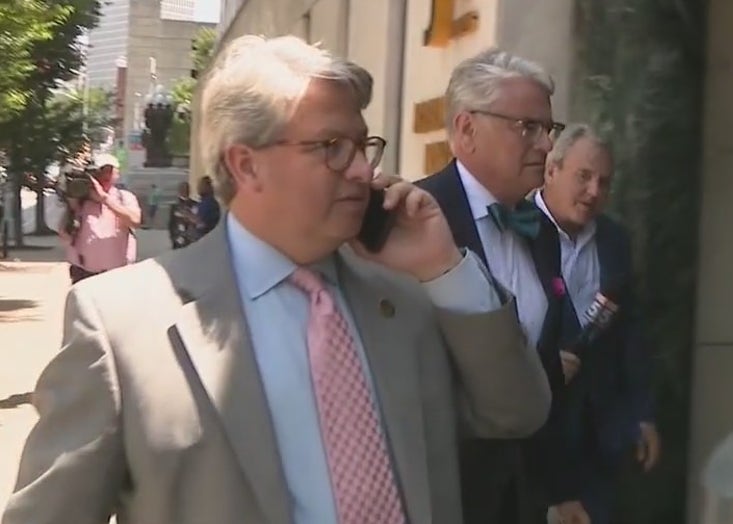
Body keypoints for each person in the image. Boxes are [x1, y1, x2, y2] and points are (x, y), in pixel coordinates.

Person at [2, 36, 552, 524]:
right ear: (245, 165)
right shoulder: (121, 324)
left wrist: (445, 267)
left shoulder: (406, 296)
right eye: (332, 147)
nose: (362, 170)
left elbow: (518, 411)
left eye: (363, 146)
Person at [417, 49, 582, 524]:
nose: (547, 146)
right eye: (527, 127)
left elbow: (545, 365)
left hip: (522, 496)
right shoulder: (414, 220)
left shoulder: (543, 231)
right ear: (466, 129)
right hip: (442, 493)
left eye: (549, 129)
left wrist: (560, 488)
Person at [534, 123, 659, 524]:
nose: (594, 192)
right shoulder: (514, 231)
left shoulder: (615, 240)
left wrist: (642, 412)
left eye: (604, 182)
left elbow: (630, 333)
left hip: (602, 438)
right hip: (537, 439)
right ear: (552, 170)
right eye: (583, 177)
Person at [58, 152, 141, 284]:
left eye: (109, 170)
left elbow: (135, 221)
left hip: (118, 274)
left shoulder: (124, 197)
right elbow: (63, 233)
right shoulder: (81, 200)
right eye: (99, 171)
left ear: (117, 174)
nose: (104, 175)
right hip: (84, 274)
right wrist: (71, 202)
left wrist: (105, 199)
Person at [167, 181, 196, 249]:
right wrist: (173, 237)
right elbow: (172, 223)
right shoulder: (175, 206)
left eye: (186, 189)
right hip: (178, 237)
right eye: (182, 189)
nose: (184, 191)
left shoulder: (194, 204)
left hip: (191, 238)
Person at [193, 175, 221, 239]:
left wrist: (191, 218)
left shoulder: (209, 204)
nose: (198, 188)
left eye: (200, 185)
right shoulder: (201, 203)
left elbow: (202, 223)